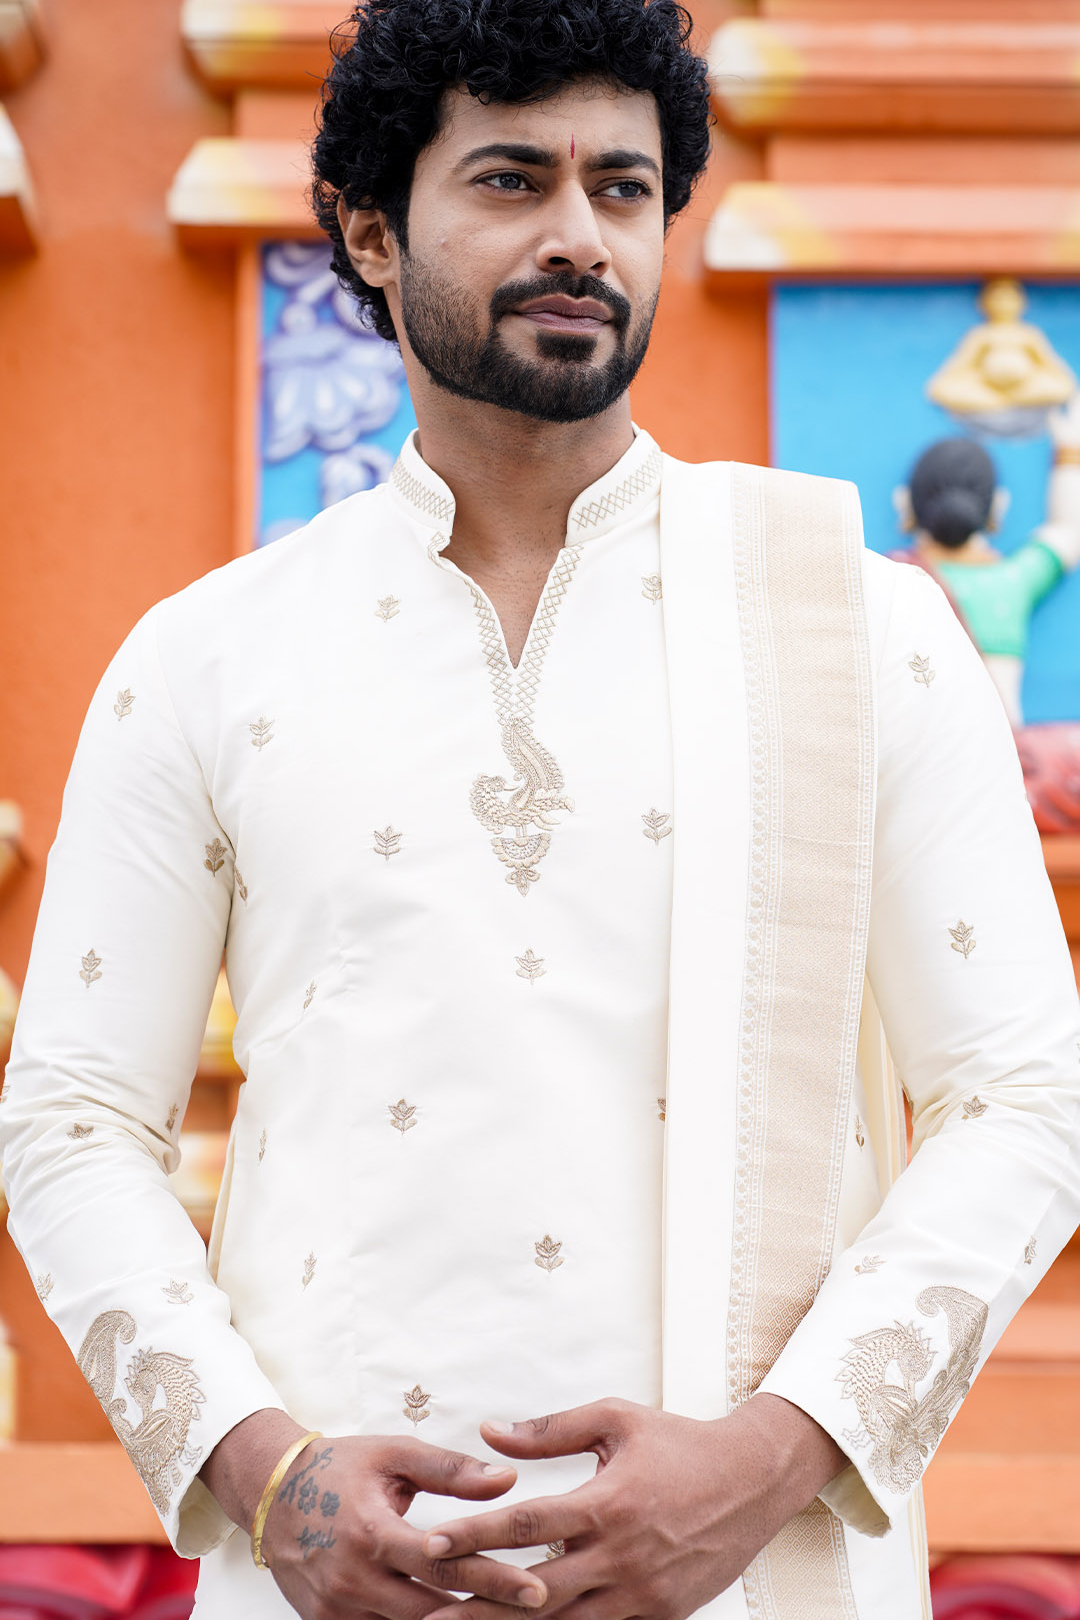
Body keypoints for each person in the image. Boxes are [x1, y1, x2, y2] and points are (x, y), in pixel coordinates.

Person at [2, 3, 1079, 1619]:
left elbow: (1024, 1096)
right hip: (333, 1588)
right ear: (372, 229)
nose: (580, 235)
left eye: (624, 189)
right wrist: (265, 1478)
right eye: (512, 179)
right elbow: (72, 1121)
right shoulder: (206, 660)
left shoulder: (864, 630)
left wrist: (781, 1454)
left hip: (756, 1573)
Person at [890, 407, 1080, 727]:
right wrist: (1070, 451)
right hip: (1001, 769)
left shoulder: (888, 579)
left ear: (903, 503)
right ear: (999, 506)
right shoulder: (1011, 580)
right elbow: (1069, 531)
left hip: (912, 771)